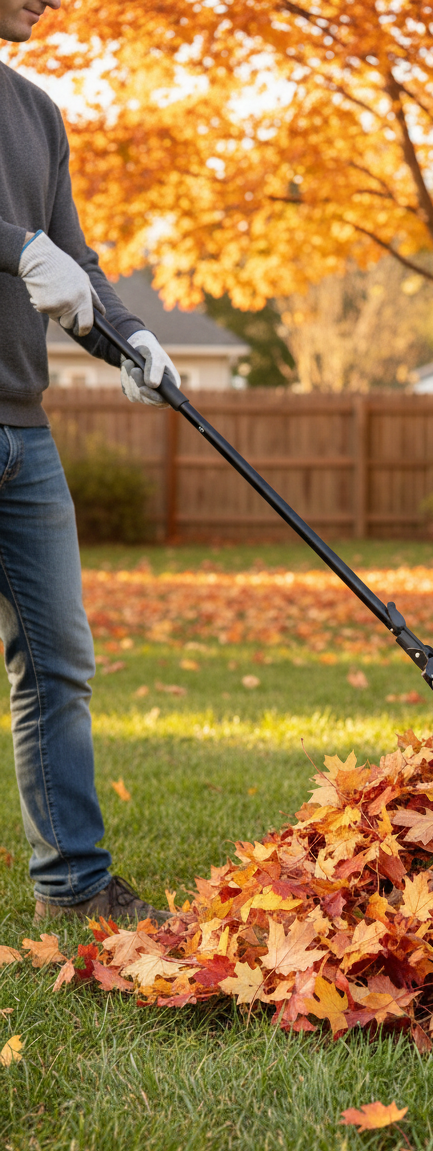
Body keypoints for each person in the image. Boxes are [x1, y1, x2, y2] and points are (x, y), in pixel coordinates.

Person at [1, 0, 177, 923]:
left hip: (22, 434)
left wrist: (135, 338)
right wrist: (12, 246)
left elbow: (74, 260)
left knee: (59, 661)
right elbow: (32, 255)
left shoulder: (35, 111)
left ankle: (72, 886)